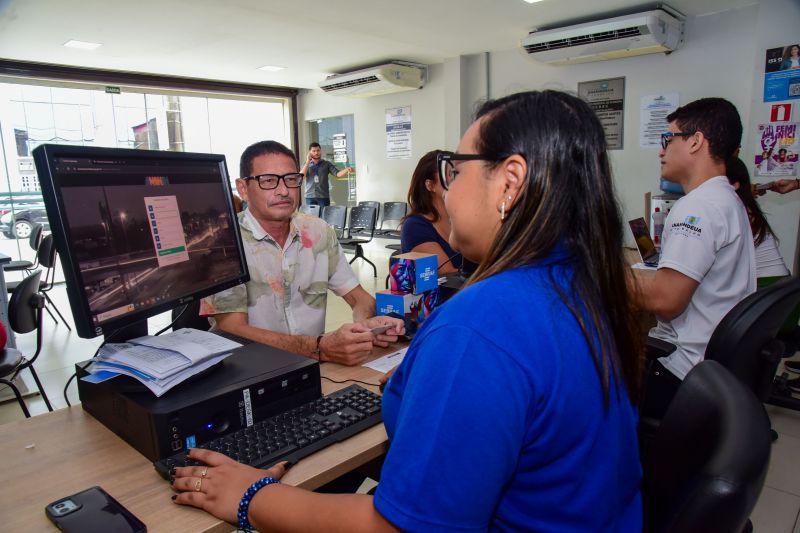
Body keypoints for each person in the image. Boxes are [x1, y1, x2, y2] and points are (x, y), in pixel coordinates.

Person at [172, 90, 644, 532]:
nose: (445, 194)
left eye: (454, 173)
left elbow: (399, 525)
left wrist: (251, 495)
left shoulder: (478, 326)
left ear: (510, 183)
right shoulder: (581, 284)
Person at [200, 140, 402, 366]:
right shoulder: (225, 243)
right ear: (243, 189)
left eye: (291, 179)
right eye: (268, 181)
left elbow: (359, 298)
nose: (284, 191)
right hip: (250, 371)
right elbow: (233, 328)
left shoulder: (318, 231)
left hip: (310, 368)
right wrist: (318, 348)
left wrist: (367, 326)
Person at [632, 98, 756, 419]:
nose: (661, 151)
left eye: (667, 139)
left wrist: (599, 273)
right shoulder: (727, 199)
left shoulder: (697, 207)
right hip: (715, 368)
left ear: (696, 141)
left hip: (680, 369)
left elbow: (666, 300)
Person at [727, 157, 790, 280]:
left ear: (734, 185)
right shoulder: (743, 204)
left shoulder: (734, 208)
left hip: (764, 284)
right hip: (780, 282)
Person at [400, 150, 462, 273]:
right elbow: (448, 274)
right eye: (451, 174)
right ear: (430, 185)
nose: (458, 180)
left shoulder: (462, 219)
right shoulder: (415, 226)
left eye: (459, 173)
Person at [300, 142, 353, 207]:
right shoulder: (306, 164)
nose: (316, 153)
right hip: (310, 197)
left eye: (318, 150)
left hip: (323, 197)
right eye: (313, 151)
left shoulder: (326, 164)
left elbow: (337, 174)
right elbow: (301, 177)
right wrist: (308, 161)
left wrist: (346, 169)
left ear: (320, 151)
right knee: (311, 217)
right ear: (309, 152)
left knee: (324, 216)